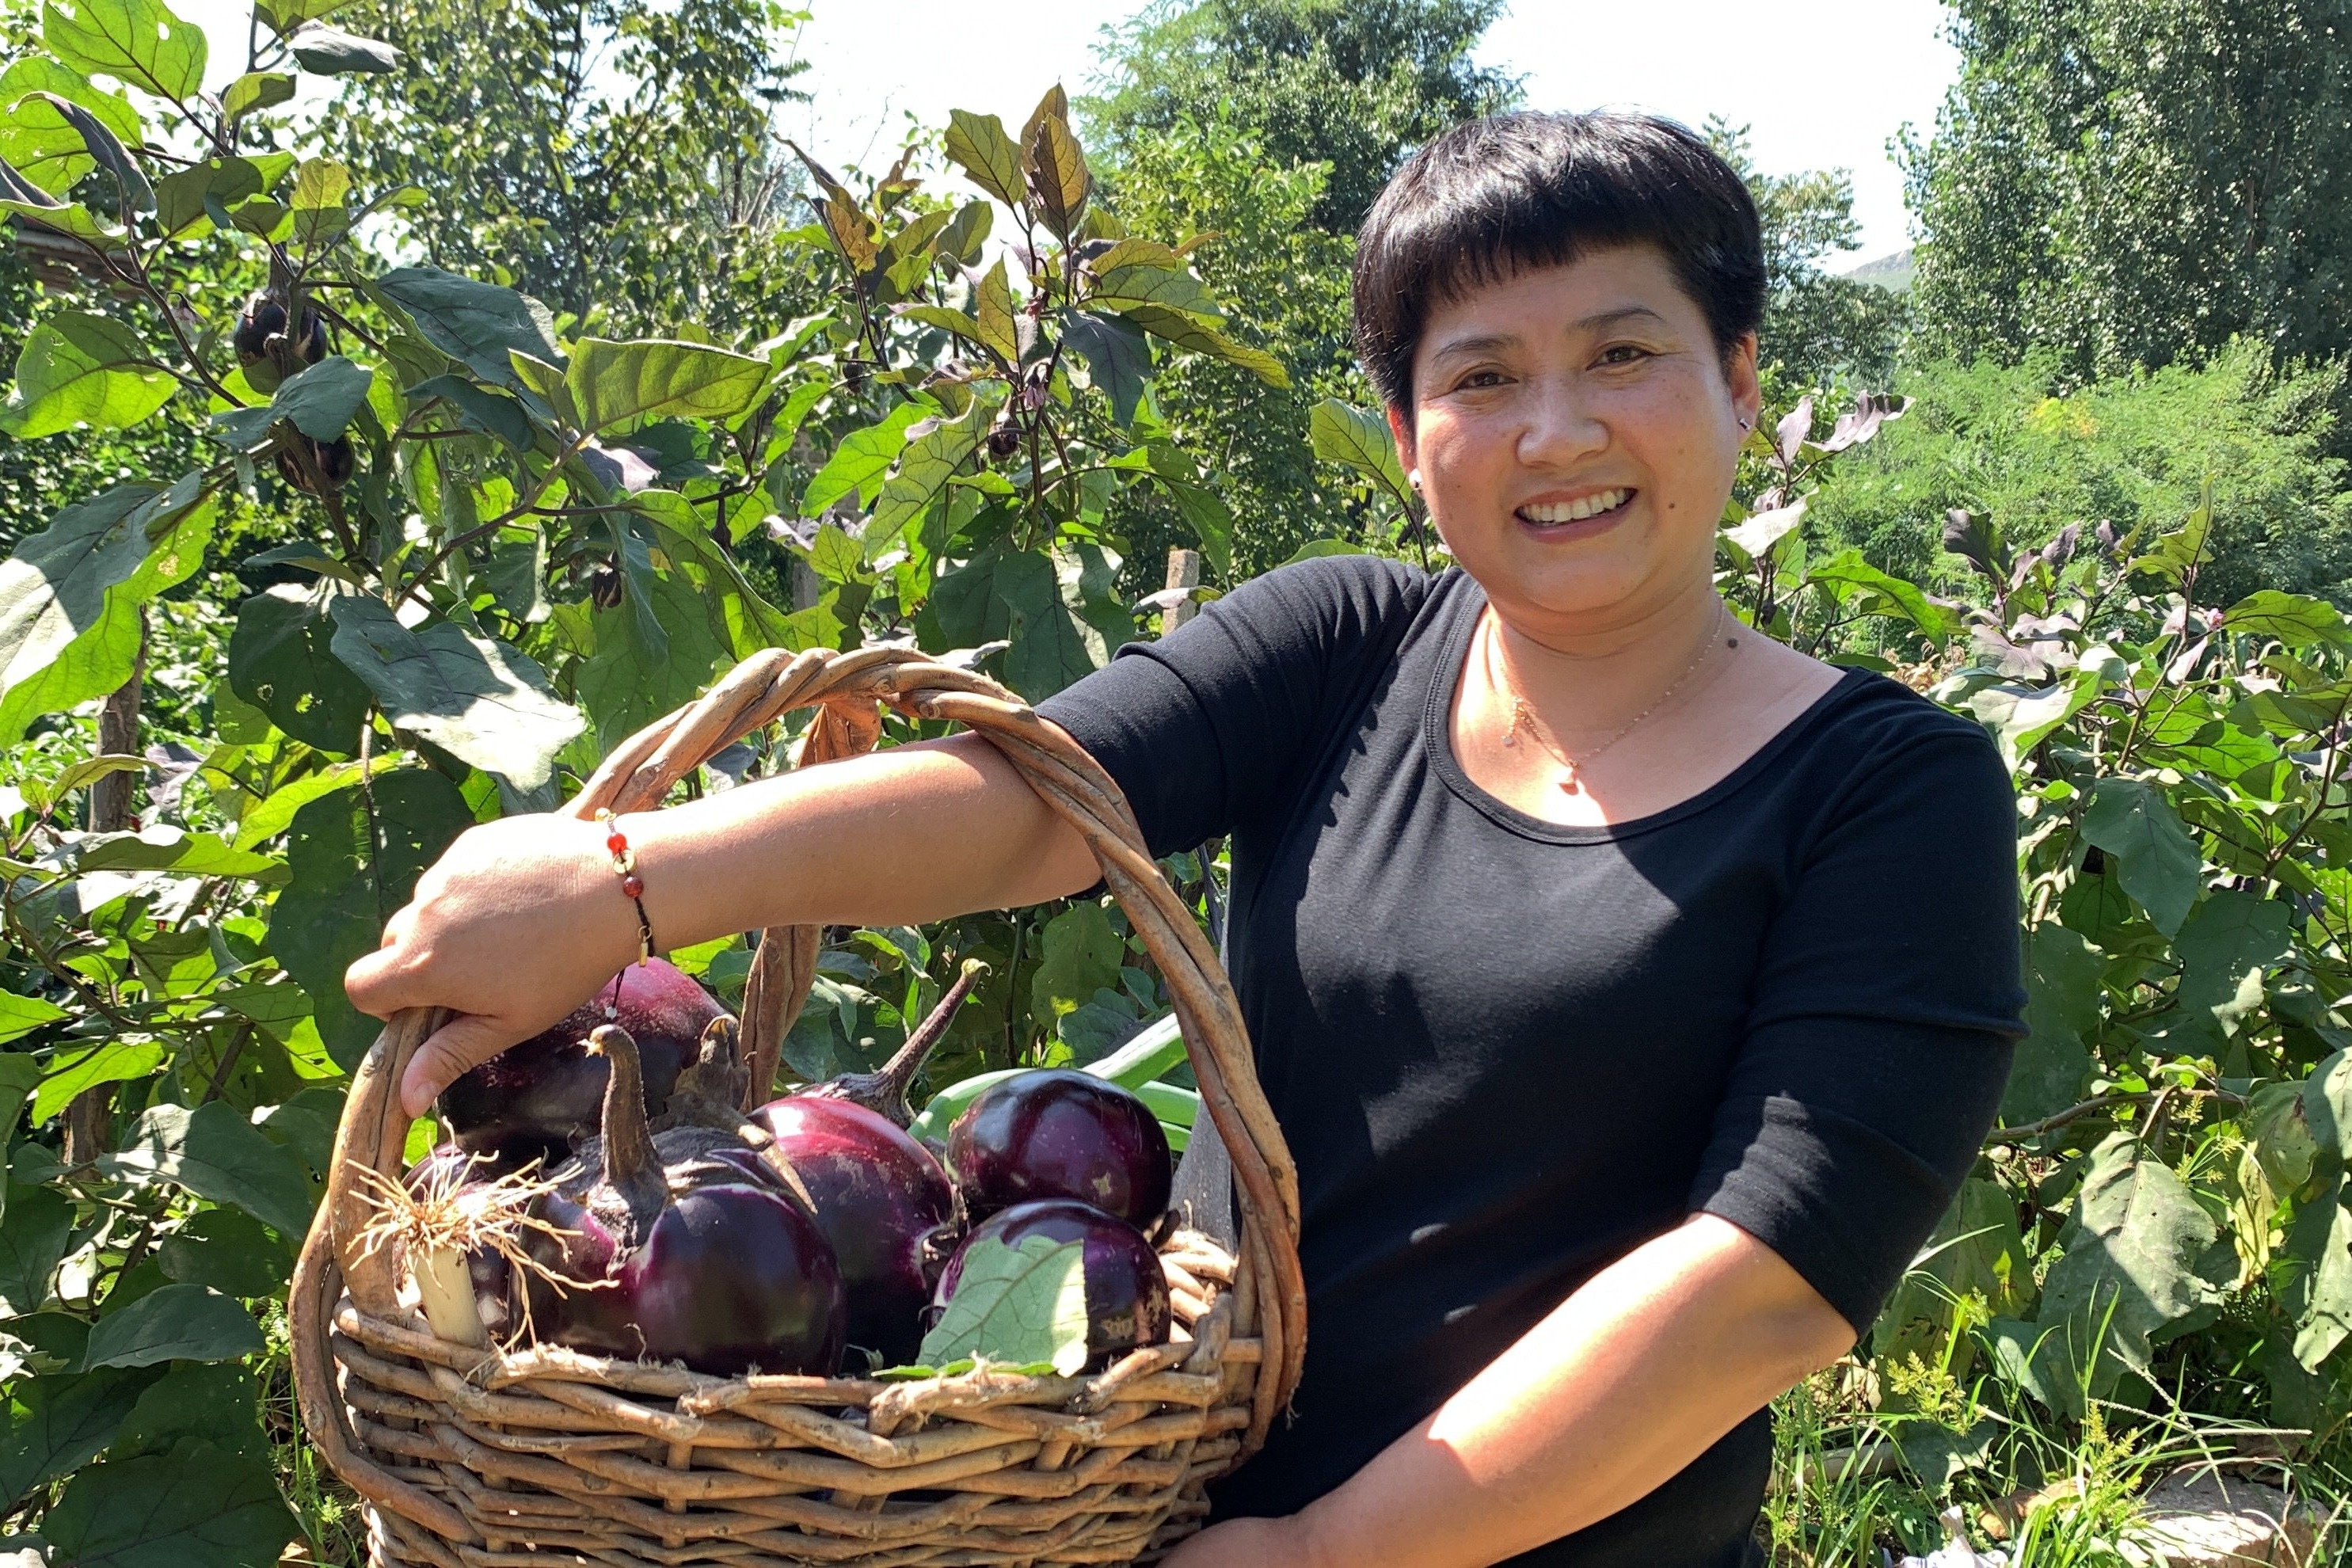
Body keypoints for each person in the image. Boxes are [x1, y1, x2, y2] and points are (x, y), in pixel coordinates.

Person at [348, 110, 2026, 1568]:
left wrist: (1329, 1553)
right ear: (1407, 437)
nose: (1556, 431)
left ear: (1739, 382)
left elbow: (1762, 1288)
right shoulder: (1349, 645)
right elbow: (1031, 805)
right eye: (1483, 376)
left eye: (1623, 354)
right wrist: (627, 884)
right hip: (1151, 1506)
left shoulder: (1891, 794)